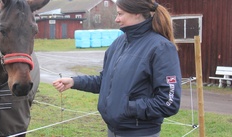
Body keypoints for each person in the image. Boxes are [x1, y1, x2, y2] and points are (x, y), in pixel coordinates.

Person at [52, 0, 182, 137]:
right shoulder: (119, 43)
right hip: (113, 131)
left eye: (120, 14)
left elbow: (169, 102)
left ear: (137, 13)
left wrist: (127, 108)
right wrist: (74, 81)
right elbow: (105, 81)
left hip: (140, 133)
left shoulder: (161, 47)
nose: (116, 19)